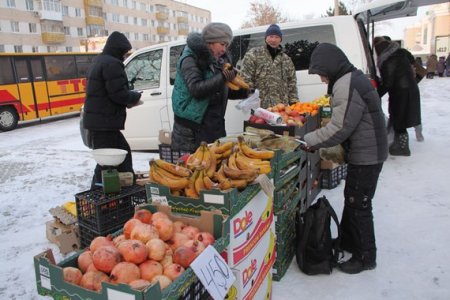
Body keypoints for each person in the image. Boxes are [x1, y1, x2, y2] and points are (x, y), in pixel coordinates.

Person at [302, 43, 388, 274]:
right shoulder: (352, 79)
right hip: (368, 150)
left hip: (367, 154)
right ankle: (350, 242)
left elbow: (340, 128)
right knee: (352, 199)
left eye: (322, 74)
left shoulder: (346, 84)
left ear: (330, 68)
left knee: (358, 205)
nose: (321, 79)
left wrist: (309, 140)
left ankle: (365, 256)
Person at [171, 22, 249, 153]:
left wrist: (246, 92)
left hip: (214, 123)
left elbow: (221, 89)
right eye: (222, 44)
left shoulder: (219, 59)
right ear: (210, 42)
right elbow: (196, 89)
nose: (224, 49)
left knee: (216, 165)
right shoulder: (190, 58)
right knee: (195, 168)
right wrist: (223, 77)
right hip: (192, 129)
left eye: (227, 45)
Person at [83, 31, 142, 188]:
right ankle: (103, 194)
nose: (124, 56)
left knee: (110, 160)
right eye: (123, 52)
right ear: (118, 50)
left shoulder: (99, 61)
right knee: (112, 161)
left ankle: (120, 190)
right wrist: (135, 97)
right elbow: (118, 94)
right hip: (105, 123)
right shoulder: (112, 64)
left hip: (99, 122)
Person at [373, 36, 424, 142]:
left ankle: (401, 146)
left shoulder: (389, 60)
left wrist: (375, 95)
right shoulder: (400, 53)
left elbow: (387, 83)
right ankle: (398, 141)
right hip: (408, 89)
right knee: (401, 117)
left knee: (399, 120)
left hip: (401, 92)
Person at [240, 24, 298, 108]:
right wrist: (252, 99)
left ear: (280, 39)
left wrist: (295, 104)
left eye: (277, 37)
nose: (273, 40)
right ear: (265, 38)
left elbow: (292, 83)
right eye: (271, 36)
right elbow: (245, 78)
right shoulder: (253, 54)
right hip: (260, 107)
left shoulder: (286, 59)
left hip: (281, 108)